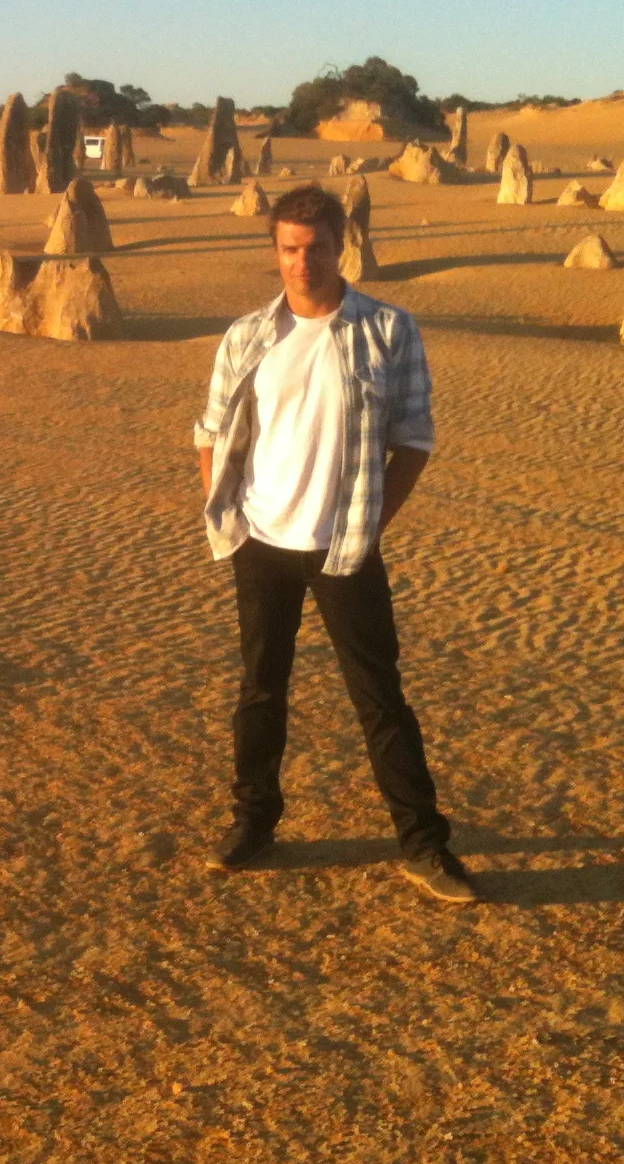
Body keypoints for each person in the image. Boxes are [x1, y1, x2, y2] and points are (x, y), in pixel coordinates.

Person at [192, 183, 474, 903]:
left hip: (344, 543)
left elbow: (414, 438)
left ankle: (424, 845)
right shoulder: (248, 335)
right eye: (289, 248)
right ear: (274, 251)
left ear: (340, 245)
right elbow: (213, 431)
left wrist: (374, 523)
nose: (303, 262)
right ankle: (253, 825)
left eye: (315, 247)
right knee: (260, 689)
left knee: (380, 697)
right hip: (261, 539)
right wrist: (224, 509)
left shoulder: (388, 329)